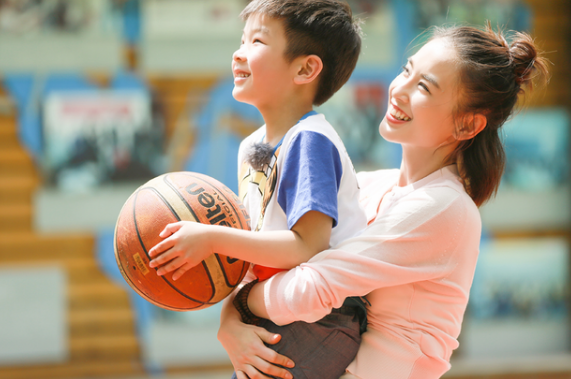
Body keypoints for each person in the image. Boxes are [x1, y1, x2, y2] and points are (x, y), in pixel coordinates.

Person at [216, 22, 550, 379]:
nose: (400, 89)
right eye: (407, 70)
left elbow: (311, 288)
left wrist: (239, 306)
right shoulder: (371, 186)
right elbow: (270, 245)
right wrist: (230, 327)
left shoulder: (444, 208)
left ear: (466, 126)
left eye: (423, 86)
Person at [148, 1, 368, 378]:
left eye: (257, 41)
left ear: (305, 68)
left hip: (323, 316)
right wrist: (230, 319)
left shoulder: (309, 140)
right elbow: (255, 249)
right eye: (241, 39)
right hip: (277, 305)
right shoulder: (252, 147)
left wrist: (212, 238)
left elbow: (306, 247)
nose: (238, 53)